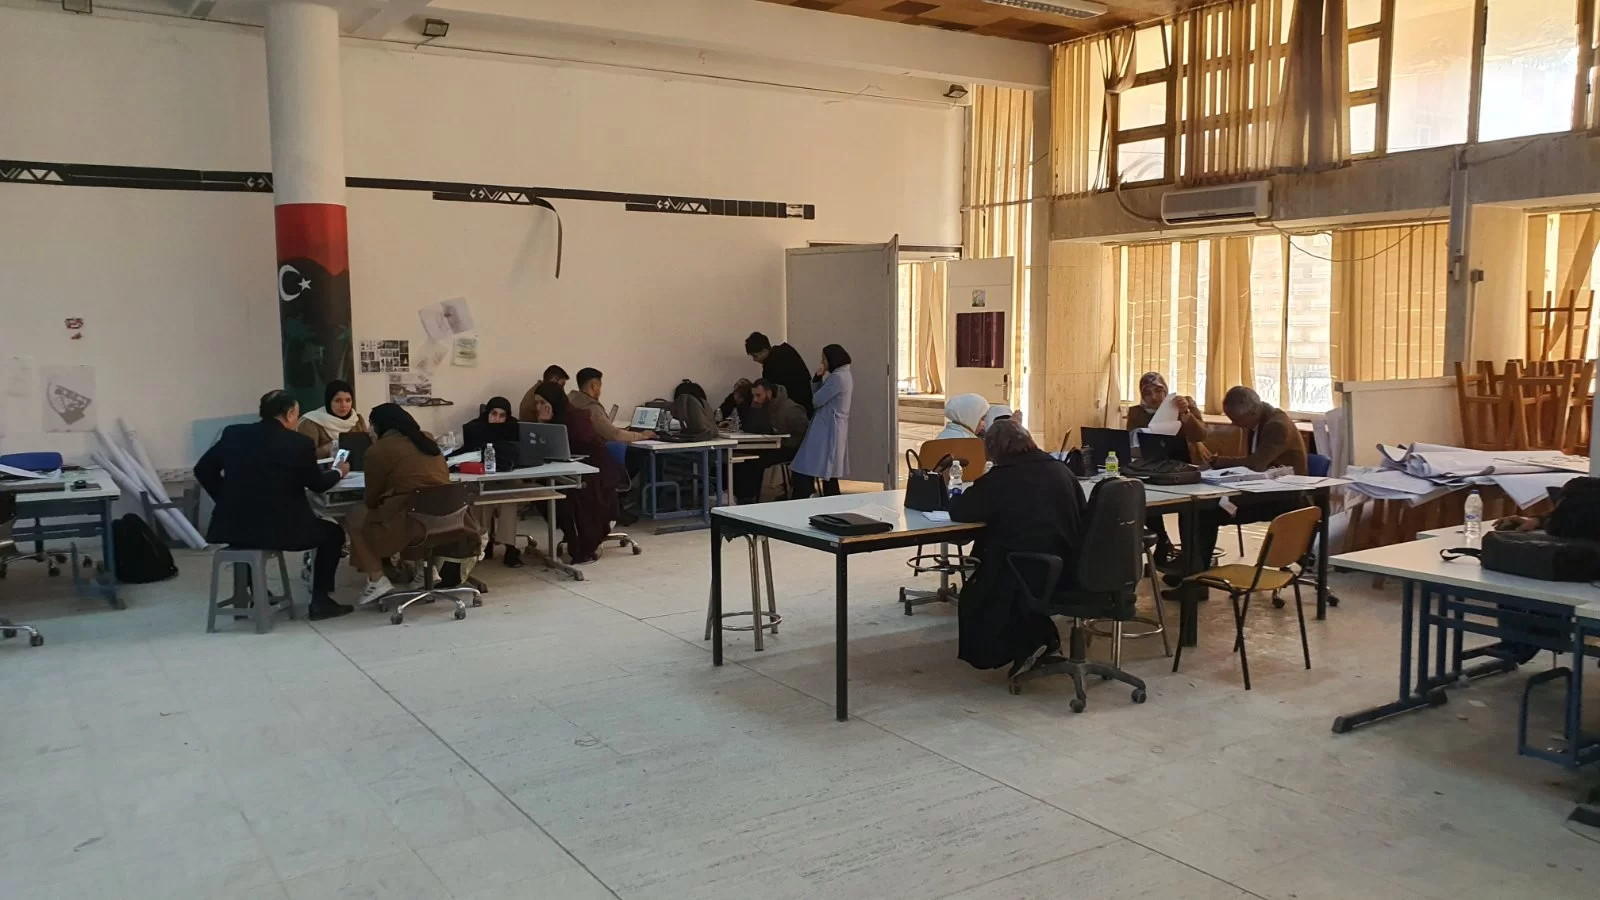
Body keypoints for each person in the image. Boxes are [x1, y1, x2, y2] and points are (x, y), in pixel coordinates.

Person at [195, 389, 352, 621]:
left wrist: (227, 500)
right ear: (289, 414)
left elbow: (202, 469)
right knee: (333, 534)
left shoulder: (234, 434)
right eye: (296, 415)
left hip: (236, 527)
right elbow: (317, 484)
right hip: (286, 531)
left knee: (246, 542)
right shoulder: (298, 443)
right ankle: (320, 601)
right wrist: (338, 471)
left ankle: (254, 593)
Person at [949, 419, 1086, 676]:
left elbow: (961, 511)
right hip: (1072, 567)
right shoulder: (1060, 470)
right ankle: (1044, 640)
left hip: (1028, 570)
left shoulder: (1002, 479)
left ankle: (1025, 646)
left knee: (980, 594)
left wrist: (954, 492)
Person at [1169, 386, 1311, 600]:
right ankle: (1192, 571)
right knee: (1196, 510)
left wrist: (1219, 463)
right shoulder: (1261, 420)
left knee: (1201, 513)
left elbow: (1256, 465)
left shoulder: (1276, 426)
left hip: (1283, 499)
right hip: (1262, 490)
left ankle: (1196, 579)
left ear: (1252, 411)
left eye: (1237, 419)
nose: (1235, 425)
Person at [345, 403, 479, 606]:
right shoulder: (427, 439)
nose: (369, 430)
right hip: (450, 520)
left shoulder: (378, 450)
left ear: (380, 425)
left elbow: (371, 499)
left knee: (355, 515)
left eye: (371, 425)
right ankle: (425, 571)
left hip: (412, 525)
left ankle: (377, 579)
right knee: (414, 507)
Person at [531, 381, 624, 564]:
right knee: (540, 488)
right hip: (569, 470)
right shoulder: (554, 419)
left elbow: (583, 446)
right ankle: (572, 534)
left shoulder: (576, 418)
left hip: (596, 471)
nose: (539, 407)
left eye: (543, 403)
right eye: (537, 403)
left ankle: (583, 546)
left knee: (574, 496)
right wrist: (543, 424)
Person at [459, 396, 524, 567]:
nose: (497, 419)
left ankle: (510, 547)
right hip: (483, 478)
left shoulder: (514, 428)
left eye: (502, 415)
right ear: (487, 413)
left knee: (509, 498)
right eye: (493, 414)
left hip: (507, 478)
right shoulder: (475, 428)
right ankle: (482, 542)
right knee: (482, 498)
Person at [790, 344, 853, 498]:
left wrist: (818, 377)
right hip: (831, 425)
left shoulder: (837, 378)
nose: (823, 362)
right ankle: (823, 497)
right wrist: (818, 379)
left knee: (808, 464)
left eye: (824, 359)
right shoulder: (844, 375)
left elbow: (817, 400)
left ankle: (805, 495)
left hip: (827, 427)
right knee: (828, 471)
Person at [732, 379, 809, 503]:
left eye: (758, 395)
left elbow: (805, 434)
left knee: (755, 460)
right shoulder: (763, 406)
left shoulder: (791, 409)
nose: (755, 399)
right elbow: (754, 428)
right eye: (754, 396)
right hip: (771, 444)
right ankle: (742, 496)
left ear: (769, 393)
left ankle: (747, 497)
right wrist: (754, 412)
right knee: (744, 457)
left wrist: (783, 439)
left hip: (792, 448)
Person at [567, 367, 654, 443]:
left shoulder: (570, 401)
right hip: (593, 451)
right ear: (594, 386)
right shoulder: (592, 408)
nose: (600, 390)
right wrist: (642, 435)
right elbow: (615, 435)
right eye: (599, 386)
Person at [745, 332, 814, 418]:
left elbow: (772, 394)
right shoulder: (786, 350)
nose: (754, 360)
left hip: (794, 411)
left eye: (755, 356)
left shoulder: (771, 366)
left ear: (764, 351)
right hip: (807, 403)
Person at [296, 379, 368, 459]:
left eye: (348, 400)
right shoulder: (312, 421)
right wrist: (326, 449)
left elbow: (367, 448)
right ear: (329, 401)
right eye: (338, 401)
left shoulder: (357, 420)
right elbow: (304, 456)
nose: (343, 405)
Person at [1127, 372, 1206, 443]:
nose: (1154, 397)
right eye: (1147, 393)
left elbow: (1201, 436)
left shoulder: (1183, 403)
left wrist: (1185, 412)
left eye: (1158, 391)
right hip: (1152, 454)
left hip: (1184, 453)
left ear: (1165, 390)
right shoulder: (1136, 413)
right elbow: (1132, 442)